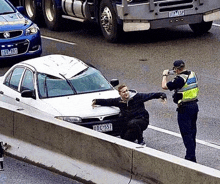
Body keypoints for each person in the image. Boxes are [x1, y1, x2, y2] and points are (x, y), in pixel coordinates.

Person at [92, 84, 167, 145]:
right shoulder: (119, 101)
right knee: (125, 139)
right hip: (131, 123)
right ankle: (135, 134)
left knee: (133, 123)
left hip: (142, 120)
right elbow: (109, 101)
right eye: (124, 92)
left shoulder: (137, 97)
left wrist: (162, 95)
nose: (126, 93)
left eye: (127, 91)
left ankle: (141, 141)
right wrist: (96, 101)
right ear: (120, 94)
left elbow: (151, 95)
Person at [162, 60, 199, 162]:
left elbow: (164, 86)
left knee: (186, 133)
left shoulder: (179, 79)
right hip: (194, 105)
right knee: (192, 132)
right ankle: (191, 153)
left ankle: (190, 157)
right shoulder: (192, 74)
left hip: (184, 108)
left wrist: (165, 75)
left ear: (177, 69)